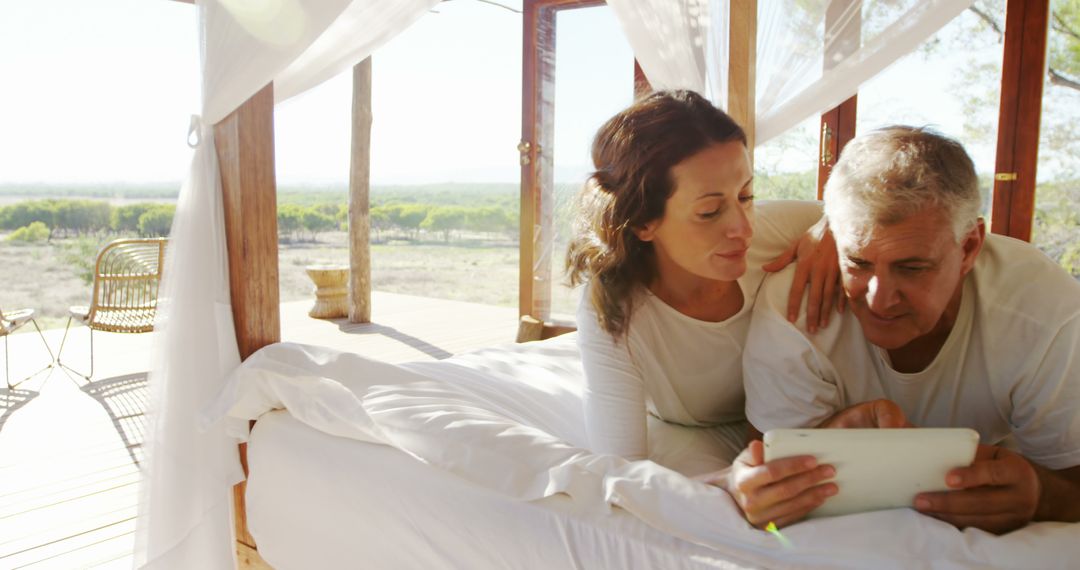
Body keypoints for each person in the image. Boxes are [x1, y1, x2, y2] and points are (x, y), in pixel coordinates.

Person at [740, 126, 1080, 534]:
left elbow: (1071, 482)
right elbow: (769, 480)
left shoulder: (1043, 311)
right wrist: (822, 443)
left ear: (970, 247)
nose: (879, 300)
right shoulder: (792, 307)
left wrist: (1041, 493)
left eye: (913, 268)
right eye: (858, 263)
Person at [566, 90, 837, 478]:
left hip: (789, 422)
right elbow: (621, 470)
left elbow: (868, 212)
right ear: (643, 222)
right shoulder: (611, 312)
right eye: (709, 212)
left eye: (746, 195)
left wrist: (833, 230)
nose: (744, 228)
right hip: (696, 433)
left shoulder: (776, 229)